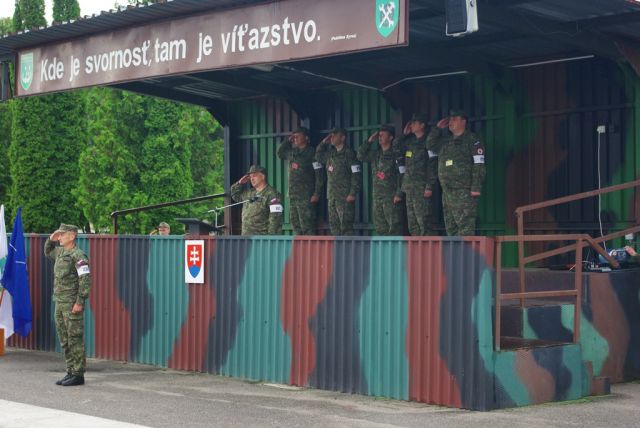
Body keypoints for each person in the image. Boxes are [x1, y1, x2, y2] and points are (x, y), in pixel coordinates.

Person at [44, 224, 91, 387]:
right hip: (59, 302)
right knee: (64, 339)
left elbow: (85, 280)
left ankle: (78, 374)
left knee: (74, 338)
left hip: (72, 304)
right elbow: (47, 251)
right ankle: (70, 371)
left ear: (72, 236)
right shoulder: (60, 252)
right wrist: (51, 238)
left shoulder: (78, 255)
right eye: (59, 234)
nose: (60, 237)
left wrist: (79, 302)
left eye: (62, 234)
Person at [427, 109, 486, 236]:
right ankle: (454, 250)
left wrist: (476, 187)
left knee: (465, 227)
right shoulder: (445, 141)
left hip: (463, 190)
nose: (450, 122)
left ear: (463, 122)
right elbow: (430, 145)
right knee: (451, 228)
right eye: (450, 119)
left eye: (454, 119)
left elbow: (479, 164)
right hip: (447, 191)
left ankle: (466, 250)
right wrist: (437, 128)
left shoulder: (472, 140)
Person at [396, 113, 438, 235]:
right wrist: (404, 134)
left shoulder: (428, 141)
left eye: (414, 123)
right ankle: (416, 246)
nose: (411, 125)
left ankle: (428, 245)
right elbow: (395, 147)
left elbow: (432, 165)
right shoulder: (410, 142)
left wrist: (429, 186)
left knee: (424, 220)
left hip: (422, 187)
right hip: (409, 187)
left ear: (422, 125)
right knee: (412, 223)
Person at [277, 126, 324, 235]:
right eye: (294, 137)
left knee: (307, 227)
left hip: (306, 196)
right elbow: (280, 153)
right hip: (293, 195)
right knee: (296, 227)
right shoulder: (293, 152)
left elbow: (320, 175)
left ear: (306, 138)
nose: (295, 138)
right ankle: (299, 246)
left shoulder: (313, 153)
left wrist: (316, 194)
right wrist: (288, 141)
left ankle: (310, 246)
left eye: (298, 136)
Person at [357, 125, 403, 235]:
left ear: (390, 137)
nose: (380, 137)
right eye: (379, 135)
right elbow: (360, 156)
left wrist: (399, 194)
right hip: (377, 197)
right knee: (380, 228)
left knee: (394, 228)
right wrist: (369, 141)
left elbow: (402, 175)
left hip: (391, 197)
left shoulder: (396, 154)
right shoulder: (375, 154)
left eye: (383, 135)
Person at [315, 127, 362, 235]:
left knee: (346, 227)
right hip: (332, 196)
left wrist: (352, 193)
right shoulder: (331, 154)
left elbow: (356, 174)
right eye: (331, 136)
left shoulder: (349, 154)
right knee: (334, 227)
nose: (332, 138)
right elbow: (318, 156)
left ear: (342, 138)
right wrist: (323, 142)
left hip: (344, 197)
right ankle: (337, 246)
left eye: (334, 136)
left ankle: (348, 246)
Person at [230, 165, 283, 235]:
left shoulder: (272, 194)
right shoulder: (249, 193)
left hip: (261, 238)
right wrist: (239, 183)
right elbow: (235, 195)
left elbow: (275, 219)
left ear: (263, 176)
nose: (252, 179)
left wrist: (270, 238)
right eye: (250, 177)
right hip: (246, 237)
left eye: (254, 176)